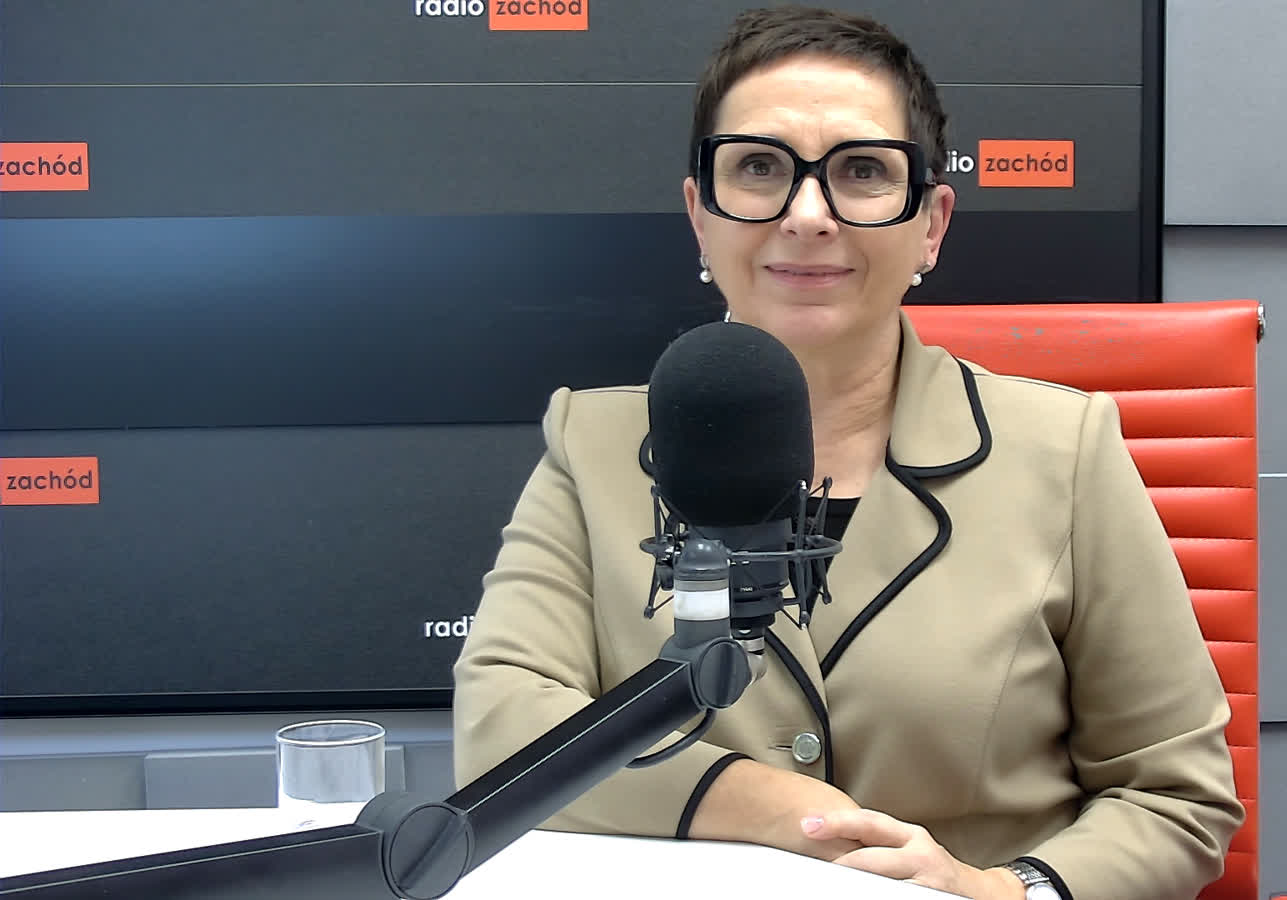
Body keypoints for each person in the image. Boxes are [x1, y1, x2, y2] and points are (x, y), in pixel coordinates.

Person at [452, 7, 1245, 899]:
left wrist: (1005, 891)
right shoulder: (592, 445)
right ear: (700, 215)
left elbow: (1175, 797)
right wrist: (775, 811)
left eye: (861, 171)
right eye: (759, 168)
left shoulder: (1064, 452)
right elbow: (503, 733)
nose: (807, 214)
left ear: (931, 223)